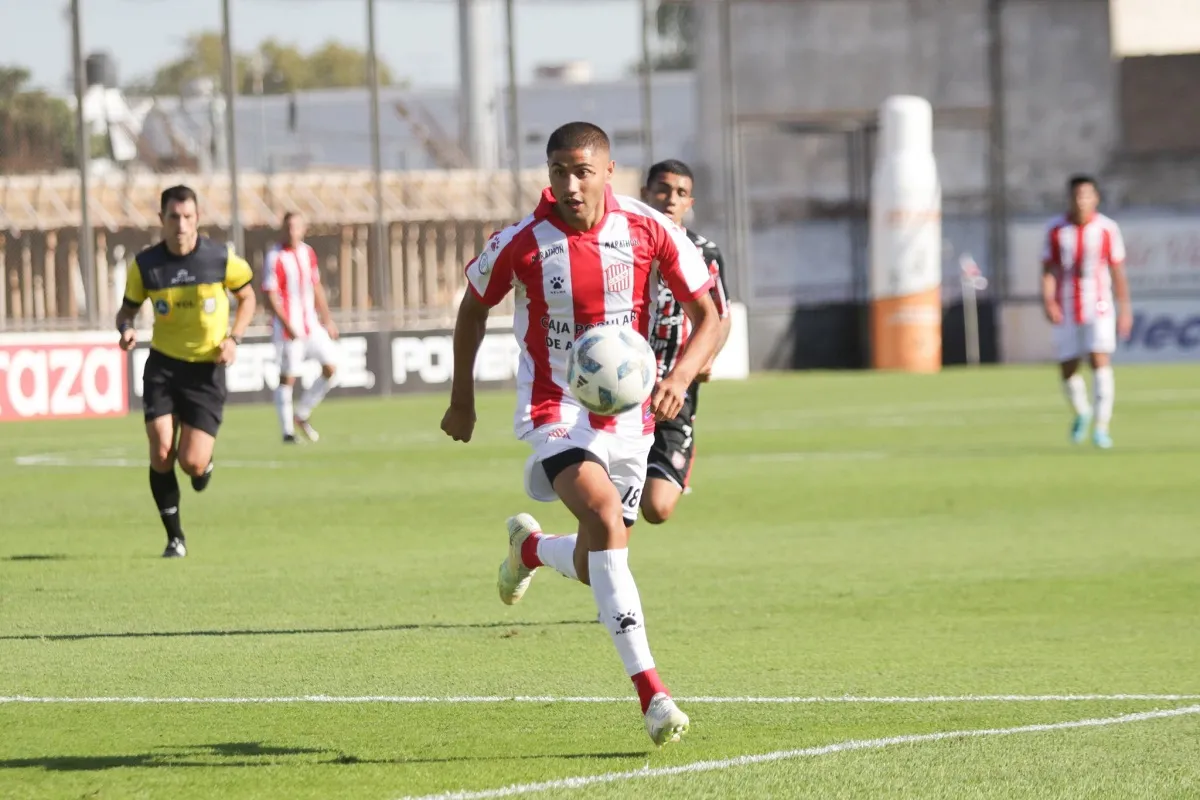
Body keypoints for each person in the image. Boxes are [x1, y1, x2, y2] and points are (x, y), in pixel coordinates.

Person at [440, 122, 722, 747]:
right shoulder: (522, 241)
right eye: (559, 171)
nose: (570, 184)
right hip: (555, 409)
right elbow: (471, 307)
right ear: (548, 174)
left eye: (582, 172)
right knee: (603, 516)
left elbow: (710, 315)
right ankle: (652, 694)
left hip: (630, 417)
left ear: (608, 173)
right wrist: (462, 400)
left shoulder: (648, 229)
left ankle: (531, 550)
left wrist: (679, 375)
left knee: (605, 548)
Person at [116, 185, 256, 558]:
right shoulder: (146, 265)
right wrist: (126, 329)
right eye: (174, 217)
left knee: (190, 462)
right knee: (161, 451)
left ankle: (203, 465)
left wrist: (235, 339)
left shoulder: (220, 258)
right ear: (162, 219)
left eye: (188, 216)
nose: (181, 224)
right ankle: (175, 537)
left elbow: (247, 295)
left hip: (206, 372)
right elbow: (126, 310)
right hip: (163, 366)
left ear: (198, 218)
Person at [638, 159, 732, 524]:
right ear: (645, 193)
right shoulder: (623, 244)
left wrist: (707, 356)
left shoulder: (704, 253)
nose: (670, 199)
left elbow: (720, 317)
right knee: (612, 509)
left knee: (658, 508)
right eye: (662, 189)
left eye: (681, 193)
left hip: (676, 390)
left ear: (690, 203)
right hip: (625, 386)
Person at [1041, 175, 1132, 449]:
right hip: (1067, 304)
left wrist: (1124, 307)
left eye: (1086, 195)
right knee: (1068, 367)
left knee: (1099, 358)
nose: (1081, 201)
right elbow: (1048, 270)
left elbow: (1118, 271)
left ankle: (1102, 427)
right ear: (1069, 198)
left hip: (1100, 304)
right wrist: (1048, 301)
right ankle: (1083, 411)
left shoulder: (1107, 229)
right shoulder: (1056, 230)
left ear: (1096, 198)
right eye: (1076, 196)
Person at [262, 211, 339, 443]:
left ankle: (302, 413)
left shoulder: (308, 253)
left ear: (303, 229)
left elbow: (316, 287)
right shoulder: (274, 256)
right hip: (288, 329)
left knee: (331, 369)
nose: (291, 231)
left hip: (311, 325)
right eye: (287, 227)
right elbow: (271, 296)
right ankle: (287, 432)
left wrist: (327, 320)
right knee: (288, 378)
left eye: (295, 227)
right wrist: (287, 324)